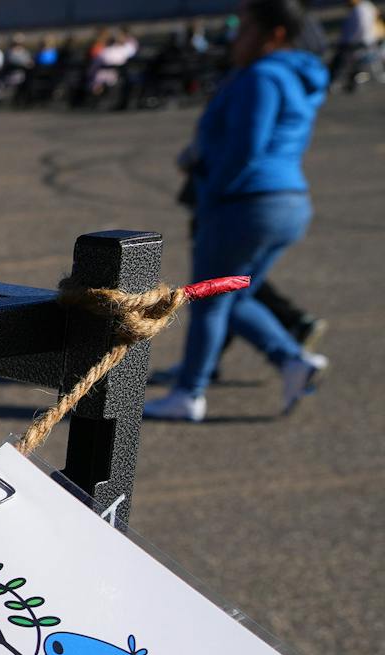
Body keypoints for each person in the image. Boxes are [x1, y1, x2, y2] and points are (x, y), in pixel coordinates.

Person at [144, 0, 328, 422]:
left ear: (274, 35)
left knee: (209, 299)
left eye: (244, 29)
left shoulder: (261, 76)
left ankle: (189, 393)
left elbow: (245, 148)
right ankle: (293, 361)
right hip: (288, 200)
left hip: (246, 203)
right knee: (236, 296)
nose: (235, 38)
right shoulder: (296, 76)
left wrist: (209, 192)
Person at [334, 0, 380, 88]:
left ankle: (336, 79)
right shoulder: (366, 5)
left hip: (360, 43)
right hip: (369, 41)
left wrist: (347, 41)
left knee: (342, 57)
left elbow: (359, 30)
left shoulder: (359, 10)